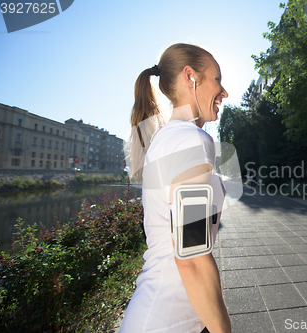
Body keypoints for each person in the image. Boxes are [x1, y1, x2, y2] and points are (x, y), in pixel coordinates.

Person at [120, 43, 231, 333]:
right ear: (190, 76)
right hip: (167, 321)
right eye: (217, 79)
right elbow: (192, 255)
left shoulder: (168, 138)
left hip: (171, 314)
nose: (224, 92)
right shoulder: (189, 140)